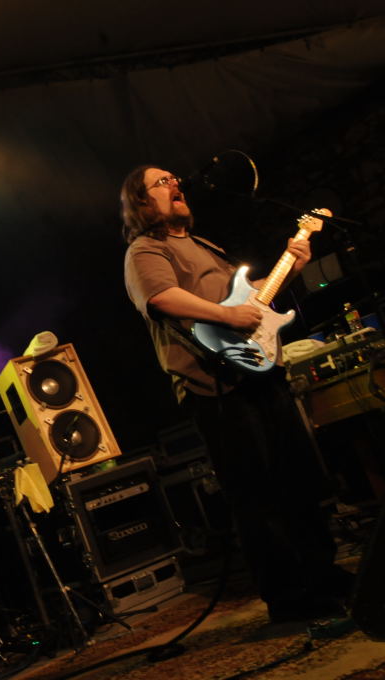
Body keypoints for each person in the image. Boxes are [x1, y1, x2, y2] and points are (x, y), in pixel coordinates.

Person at [121, 165, 350, 623]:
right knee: (257, 494)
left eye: (174, 179)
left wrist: (293, 265)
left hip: (260, 372)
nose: (175, 184)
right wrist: (227, 317)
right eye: (162, 182)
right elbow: (162, 298)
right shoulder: (145, 249)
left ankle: (323, 576)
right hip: (215, 384)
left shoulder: (205, 246)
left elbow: (251, 302)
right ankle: (290, 598)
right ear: (141, 202)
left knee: (297, 480)